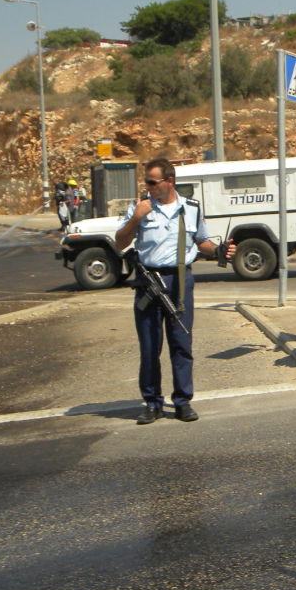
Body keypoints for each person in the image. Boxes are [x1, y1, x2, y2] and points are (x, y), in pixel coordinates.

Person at [115, 157, 235, 425]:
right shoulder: (141, 208)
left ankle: (182, 401)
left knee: (181, 345)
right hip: (148, 282)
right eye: (146, 182)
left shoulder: (190, 208)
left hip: (179, 281)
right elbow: (120, 242)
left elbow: (201, 242)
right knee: (149, 347)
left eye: (152, 182)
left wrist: (217, 250)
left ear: (169, 182)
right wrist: (135, 218)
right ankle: (152, 402)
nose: (147, 187)